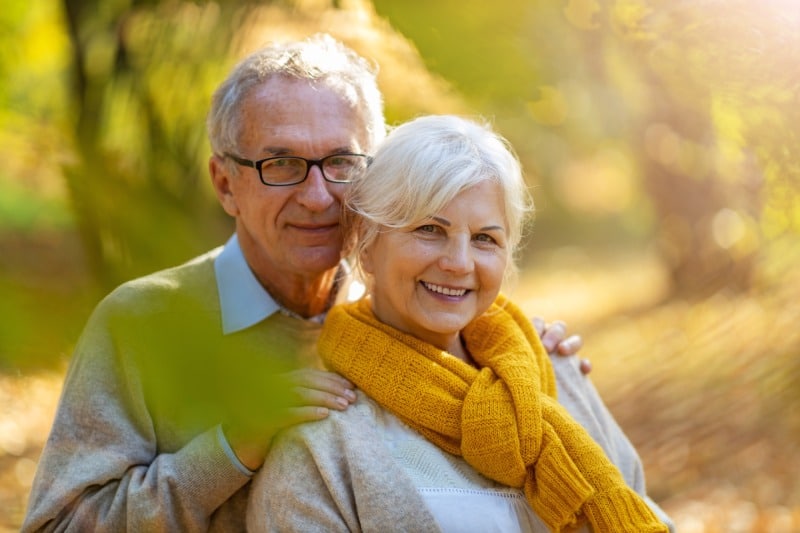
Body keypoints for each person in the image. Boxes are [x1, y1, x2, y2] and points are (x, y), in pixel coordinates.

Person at [22, 35, 584, 532]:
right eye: (282, 165)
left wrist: (533, 362)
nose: (318, 197)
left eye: (341, 162)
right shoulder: (143, 324)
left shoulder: (402, 309)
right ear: (225, 183)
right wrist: (229, 449)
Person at [247, 115, 674, 532]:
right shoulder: (320, 443)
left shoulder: (556, 371)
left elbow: (646, 510)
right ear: (367, 246)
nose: (458, 263)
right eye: (430, 229)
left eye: (485, 239)